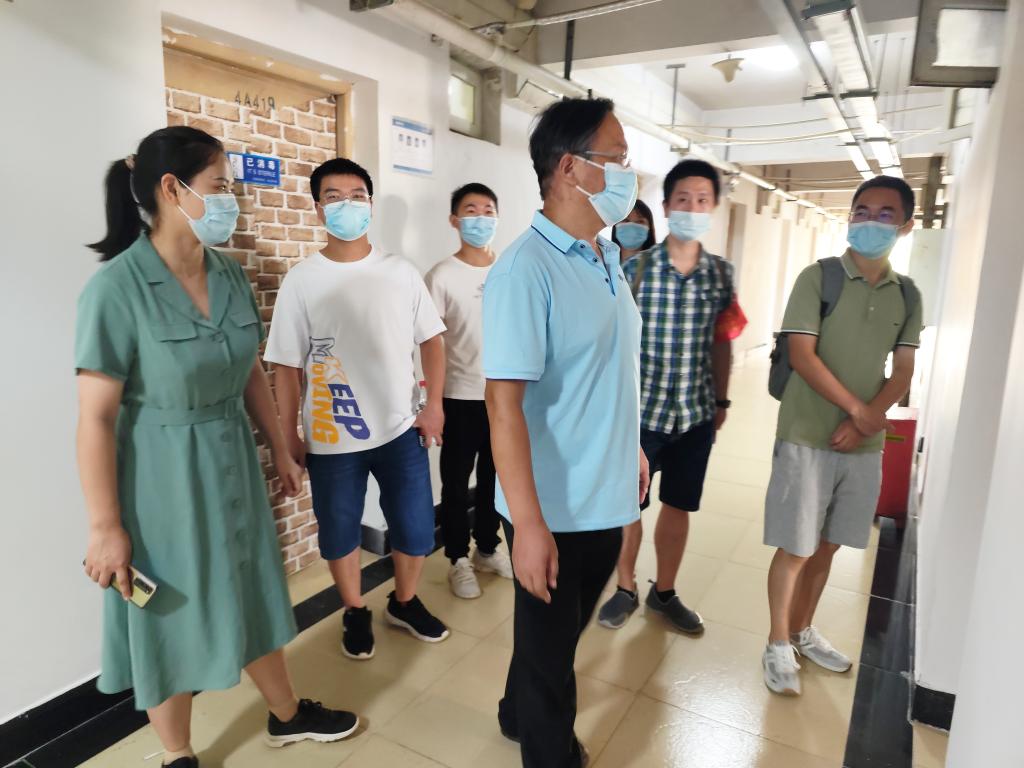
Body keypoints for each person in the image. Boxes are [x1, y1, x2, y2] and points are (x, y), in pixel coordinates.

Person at [77, 127, 359, 768]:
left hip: (230, 462)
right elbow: (94, 419)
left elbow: (251, 370)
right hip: (158, 480)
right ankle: (177, 752)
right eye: (220, 186)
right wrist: (105, 527)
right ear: (171, 189)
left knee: (251, 587)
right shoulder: (115, 289)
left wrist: (279, 448)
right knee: (164, 608)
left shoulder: (229, 274)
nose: (230, 199)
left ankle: (287, 714)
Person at [484, 97, 650, 768]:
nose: (628, 174)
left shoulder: (603, 256)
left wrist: (631, 445)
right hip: (552, 506)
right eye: (616, 158)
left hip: (605, 491)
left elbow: (607, 368)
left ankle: (512, 709)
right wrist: (528, 525)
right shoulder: (526, 270)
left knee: (555, 635)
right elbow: (503, 407)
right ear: (570, 169)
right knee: (553, 665)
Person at [264, 157, 450, 663]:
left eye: (357, 196)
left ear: (370, 203)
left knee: (414, 528)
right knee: (339, 532)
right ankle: (354, 609)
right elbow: (285, 367)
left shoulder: (400, 272)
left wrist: (433, 405)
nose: (347, 205)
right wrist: (289, 436)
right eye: (334, 197)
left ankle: (404, 602)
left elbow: (432, 340)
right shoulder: (303, 279)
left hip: (399, 429)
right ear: (317, 208)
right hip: (331, 436)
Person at [761, 175, 922, 696]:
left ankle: (802, 630)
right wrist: (859, 411)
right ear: (849, 217)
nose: (870, 221)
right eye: (861, 211)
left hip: (863, 446)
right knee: (796, 546)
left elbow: (903, 370)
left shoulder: (908, 294)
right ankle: (777, 641)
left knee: (828, 546)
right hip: (806, 433)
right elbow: (803, 355)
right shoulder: (819, 278)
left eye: (885, 214)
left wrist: (864, 422)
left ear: (905, 225)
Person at [597, 159, 737, 635]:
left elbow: (723, 341)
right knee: (627, 506)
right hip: (640, 415)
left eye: (702, 200)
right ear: (667, 205)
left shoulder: (721, 274)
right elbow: (613, 344)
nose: (692, 209)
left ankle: (665, 592)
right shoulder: (634, 270)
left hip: (695, 415)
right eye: (683, 199)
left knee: (679, 506)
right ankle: (624, 587)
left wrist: (721, 402)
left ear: (712, 208)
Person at [426, 183, 514, 600]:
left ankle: (488, 549)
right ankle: (457, 559)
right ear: (454, 220)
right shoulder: (441, 275)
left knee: (498, 479)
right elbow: (430, 343)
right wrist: (433, 403)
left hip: (506, 398)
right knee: (457, 484)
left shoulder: (511, 269)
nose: (481, 218)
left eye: (488, 210)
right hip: (459, 397)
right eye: (471, 210)